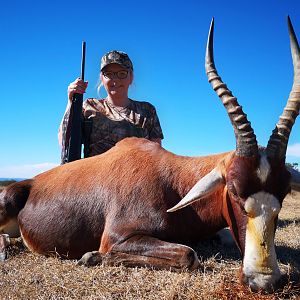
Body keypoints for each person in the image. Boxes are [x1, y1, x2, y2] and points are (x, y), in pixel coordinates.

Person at [58, 50, 164, 163]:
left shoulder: (147, 111)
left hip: (136, 177)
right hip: (96, 177)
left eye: (122, 73)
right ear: (101, 78)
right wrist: (71, 102)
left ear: (131, 77)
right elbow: (64, 142)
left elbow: (156, 155)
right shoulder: (90, 106)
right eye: (109, 74)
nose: (115, 80)